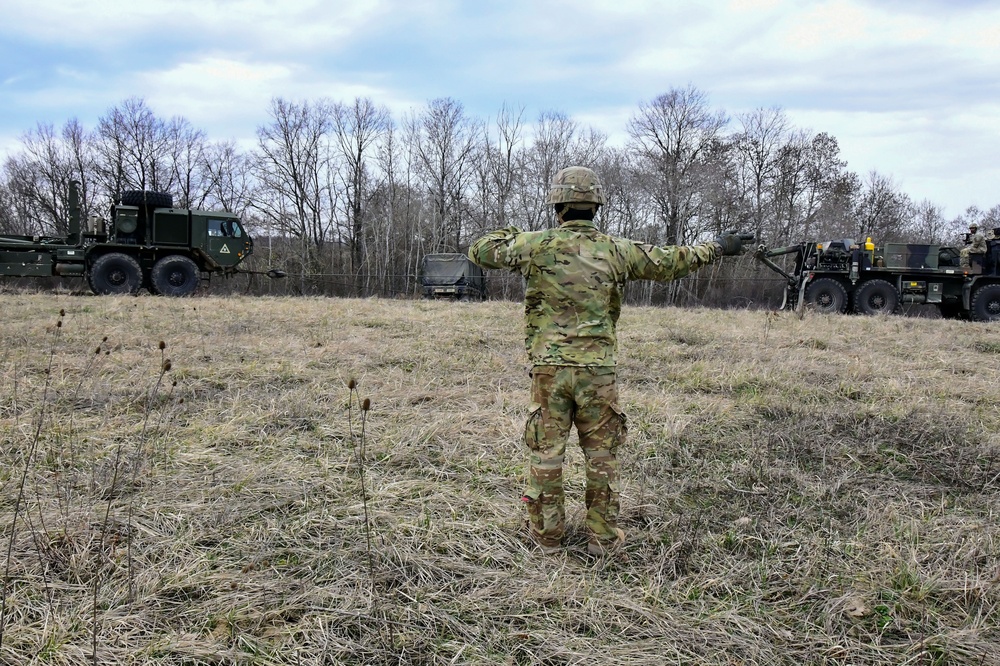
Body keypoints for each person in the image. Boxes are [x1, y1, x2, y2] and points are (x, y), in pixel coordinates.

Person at [468, 166, 746, 556]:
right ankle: (601, 538)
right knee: (602, 456)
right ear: (596, 206)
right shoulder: (617, 250)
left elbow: (480, 250)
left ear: (558, 206)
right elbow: (671, 261)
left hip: (550, 369)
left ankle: (548, 538)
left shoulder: (536, 245)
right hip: (598, 370)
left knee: (546, 455)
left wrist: (515, 233)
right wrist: (717, 247)